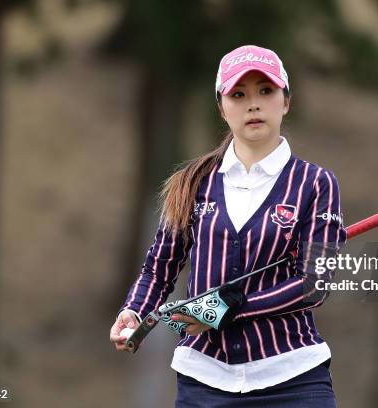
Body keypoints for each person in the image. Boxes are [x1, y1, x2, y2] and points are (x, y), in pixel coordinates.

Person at [109, 45, 346, 407]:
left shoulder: (316, 183)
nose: (253, 104)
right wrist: (135, 311)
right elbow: (159, 268)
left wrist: (225, 310)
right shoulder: (190, 183)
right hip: (203, 381)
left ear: (286, 102)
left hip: (293, 380)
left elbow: (315, 286)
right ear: (222, 107)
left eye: (266, 91)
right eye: (239, 94)